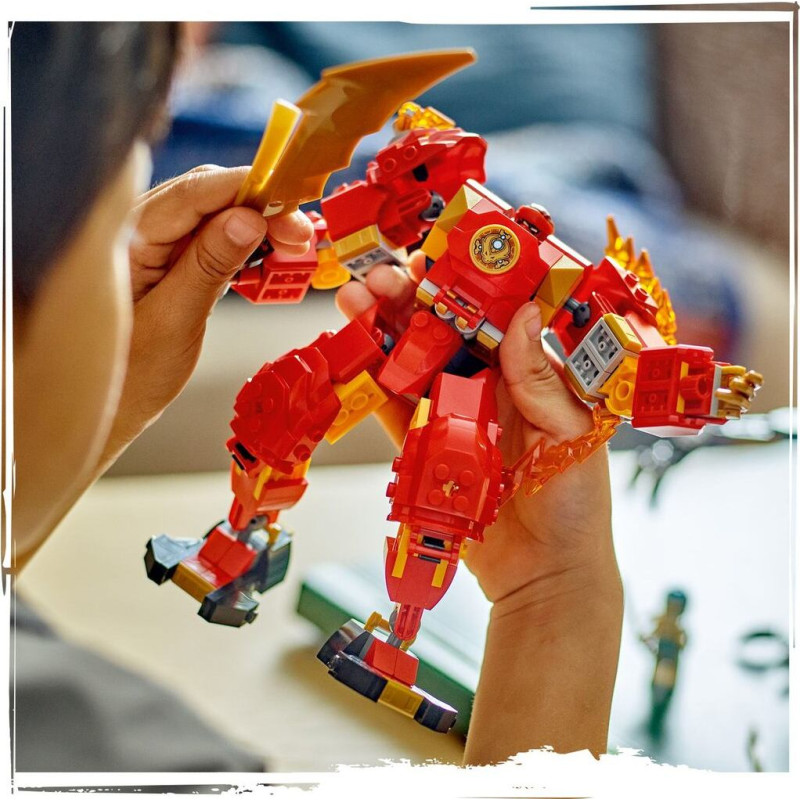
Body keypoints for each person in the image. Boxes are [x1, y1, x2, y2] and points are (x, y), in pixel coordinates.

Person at [10, 22, 623, 768]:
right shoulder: (150, 764)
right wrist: (556, 594)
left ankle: (394, 644)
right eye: (115, 227)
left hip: (454, 373)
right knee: (282, 407)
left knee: (440, 494)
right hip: (397, 336)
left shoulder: (530, 251)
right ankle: (239, 546)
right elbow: (339, 242)